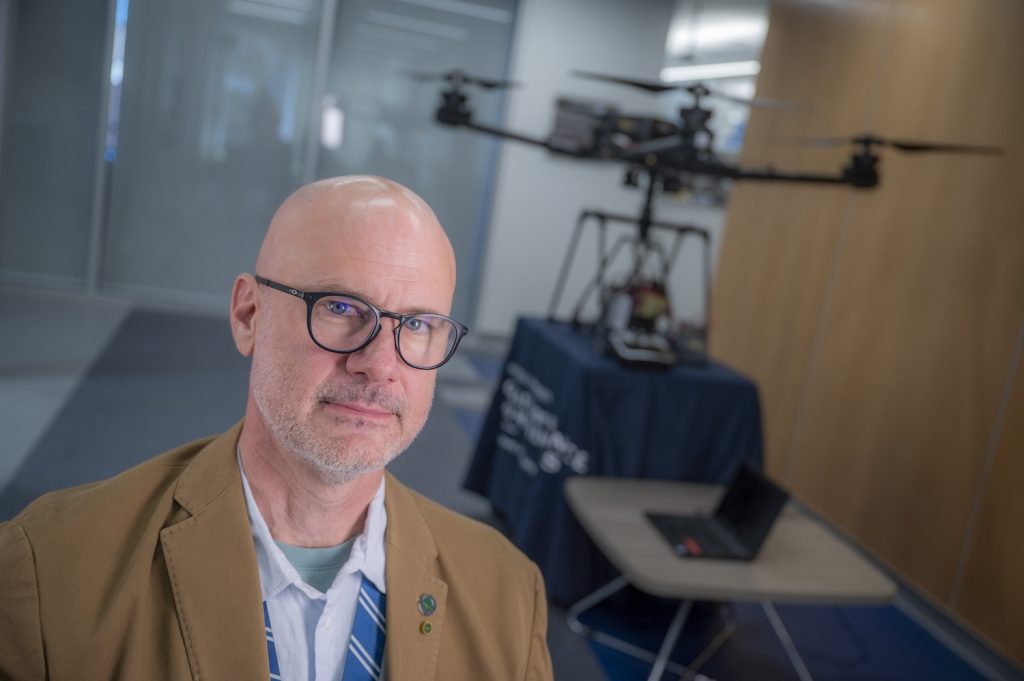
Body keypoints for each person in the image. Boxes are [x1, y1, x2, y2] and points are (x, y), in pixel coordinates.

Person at [0, 176, 554, 681]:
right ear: (249, 316)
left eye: (417, 325)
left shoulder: (508, 594)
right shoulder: (48, 575)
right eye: (341, 307)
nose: (381, 364)